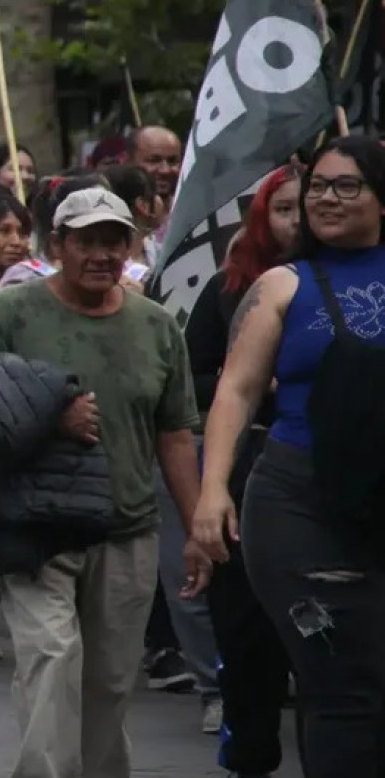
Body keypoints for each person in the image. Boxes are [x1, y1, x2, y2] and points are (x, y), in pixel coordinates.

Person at [0, 186, 205, 778]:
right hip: (36, 526)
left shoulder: (157, 326)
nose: (100, 253)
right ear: (56, 246)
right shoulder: (10, 312)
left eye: (113, 240)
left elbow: (173, 434)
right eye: (85, 240)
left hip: (127, 528)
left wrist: (196, 528)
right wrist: (46, 414)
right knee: (49, 659)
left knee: (110, 684)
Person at [195, 136, 385, 777]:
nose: (328, 198)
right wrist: (212, 490)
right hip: (298, 502)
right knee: (340, 679)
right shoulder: (282, 284)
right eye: (319, 186)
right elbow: (236, 390)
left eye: (347, 185)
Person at [182, 165, 299, 775]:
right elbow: (196, 376)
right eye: (284, 208)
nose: (299, 219)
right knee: (248, 634)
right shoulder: (232, 289)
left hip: (328, 477)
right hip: (248, 466)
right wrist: (255, 382)